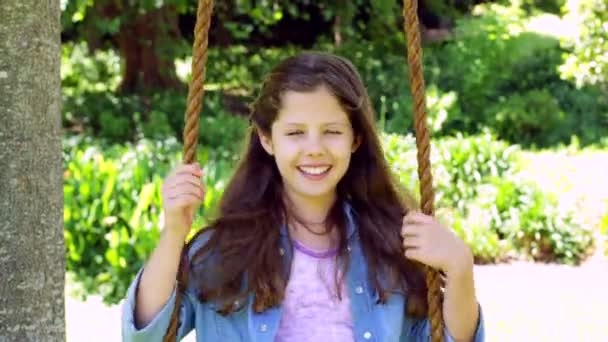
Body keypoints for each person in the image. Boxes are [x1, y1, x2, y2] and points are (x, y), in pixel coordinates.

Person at [121, 51, 485, 342]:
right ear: (267, 139)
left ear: (355, 139)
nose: (314, 149)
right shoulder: (225, 251)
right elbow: (146, 337)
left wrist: (460, 269)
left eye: (332, 131)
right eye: (295, 133)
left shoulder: (391, 245)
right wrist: (173, 233)